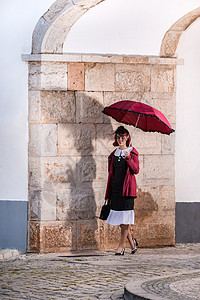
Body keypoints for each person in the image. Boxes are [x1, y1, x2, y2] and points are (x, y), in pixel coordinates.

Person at [105, 126, 139, 255]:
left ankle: (120, 247)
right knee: (121, 220)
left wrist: (129, 158)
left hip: (127, 191)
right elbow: (111, 173)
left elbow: (136, 170)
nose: (120, 140)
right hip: (115, 189)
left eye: (123, 138)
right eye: (118, 137)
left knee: (125, 220)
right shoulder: (113, 154)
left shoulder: (132, 152)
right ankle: (132, 243)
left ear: (127, 138)